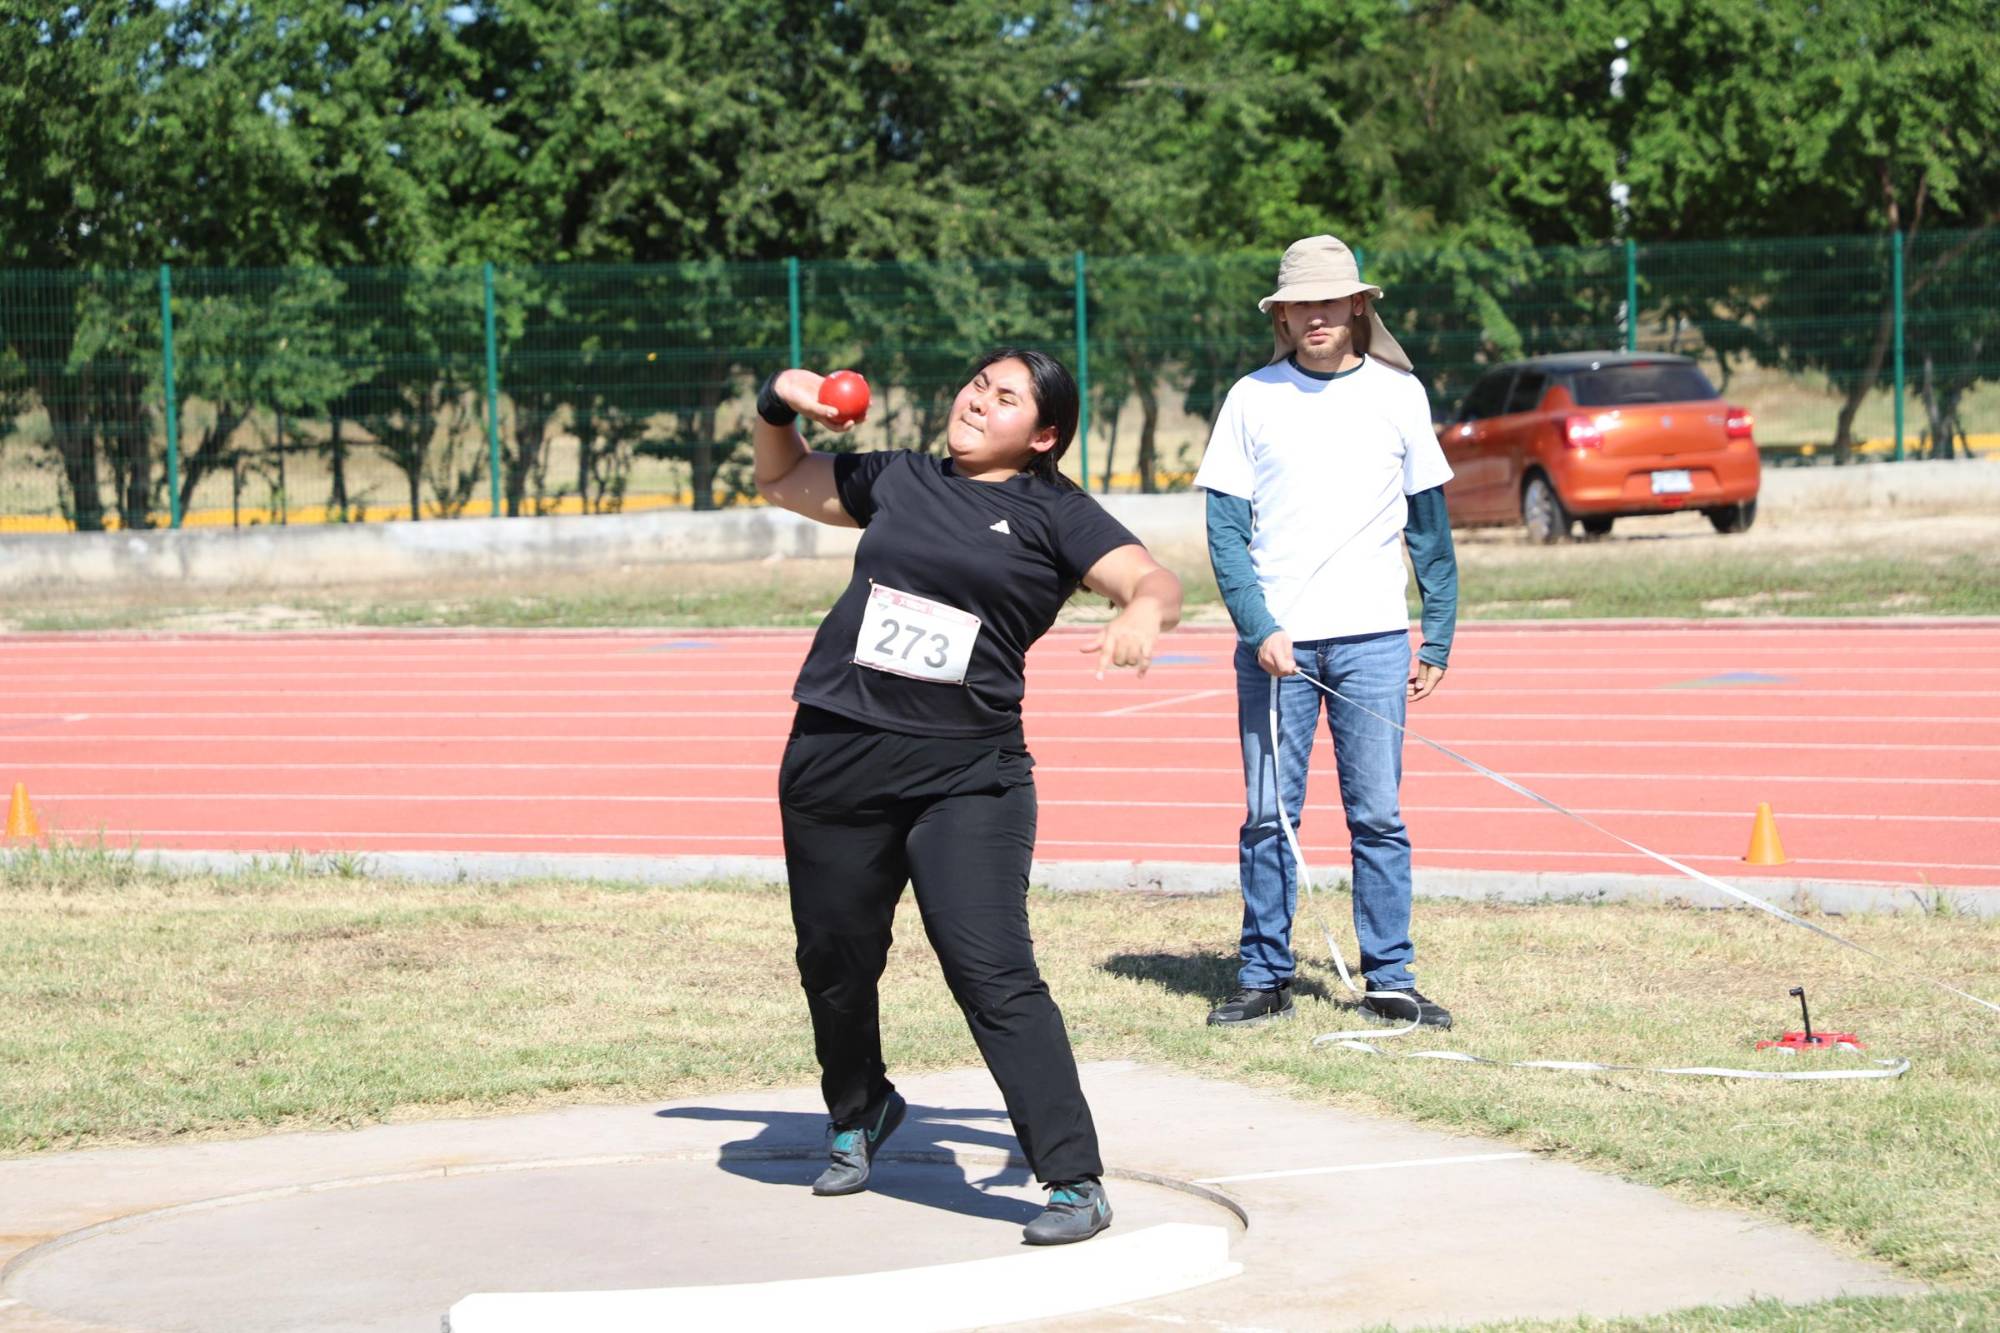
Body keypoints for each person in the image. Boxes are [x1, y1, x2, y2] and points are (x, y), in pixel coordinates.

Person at [752, 347, 1183, 1245]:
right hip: (835, 755)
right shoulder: (900, 480)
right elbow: (783, 476)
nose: (980, 402)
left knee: (989, 967)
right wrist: (777, 401)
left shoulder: (1056, 513)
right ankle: (861, 1107)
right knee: (834, 959)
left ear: (1045, 434)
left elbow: (1152, 579)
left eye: (1008, 397)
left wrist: (1140, 615)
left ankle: (1072, 1177)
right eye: (979, 385)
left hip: (968, 777)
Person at [1193, 234, 1460, 1030]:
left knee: (1378, 814)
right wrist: (1258, 625)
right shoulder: (1251, 398)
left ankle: (1390, 977)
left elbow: (1431, 530)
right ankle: (1264, 973)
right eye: (1299, 303)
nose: (1315, 314)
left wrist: (1438, 634)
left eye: (1329, 300)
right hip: (1276, 647)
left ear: (1357, 306)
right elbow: (1223, 529)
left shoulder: (1399, 396)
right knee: (1268, 814)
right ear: (1282, 315)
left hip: (1375, 641)